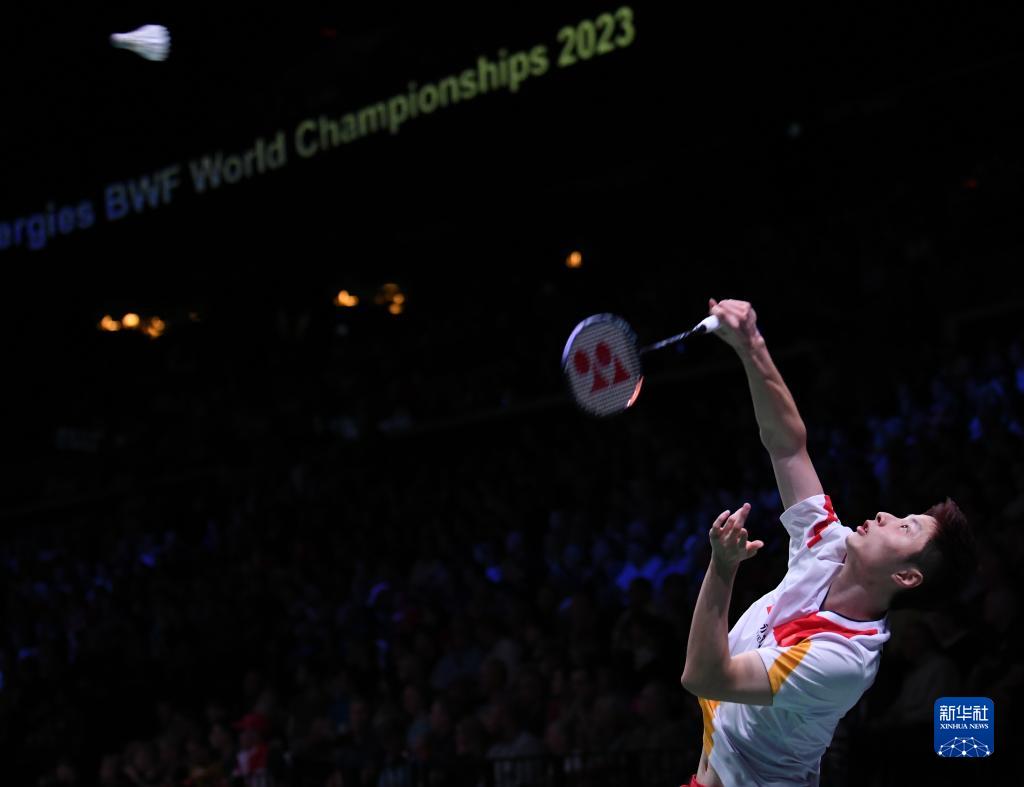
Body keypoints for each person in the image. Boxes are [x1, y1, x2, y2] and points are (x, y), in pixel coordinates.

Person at [679, 298, 977, 787]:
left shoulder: (843, 659)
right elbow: (788, 446)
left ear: (906, 576)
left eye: (906, 527)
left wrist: (722, 569)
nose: (885, 515)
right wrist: (751, 345)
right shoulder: (829, 546)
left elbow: (704, 677)